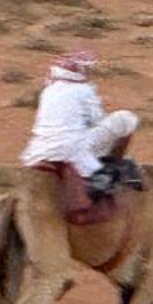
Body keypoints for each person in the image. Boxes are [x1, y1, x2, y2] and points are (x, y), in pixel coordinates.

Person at [19, 50, 138, 198]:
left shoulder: (48, 90)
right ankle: (113, 163)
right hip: (73, 147)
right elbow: (97, 120)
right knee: (126, 119)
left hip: (40, 149)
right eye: (86, 69)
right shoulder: (84, 90)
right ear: (79, 70)